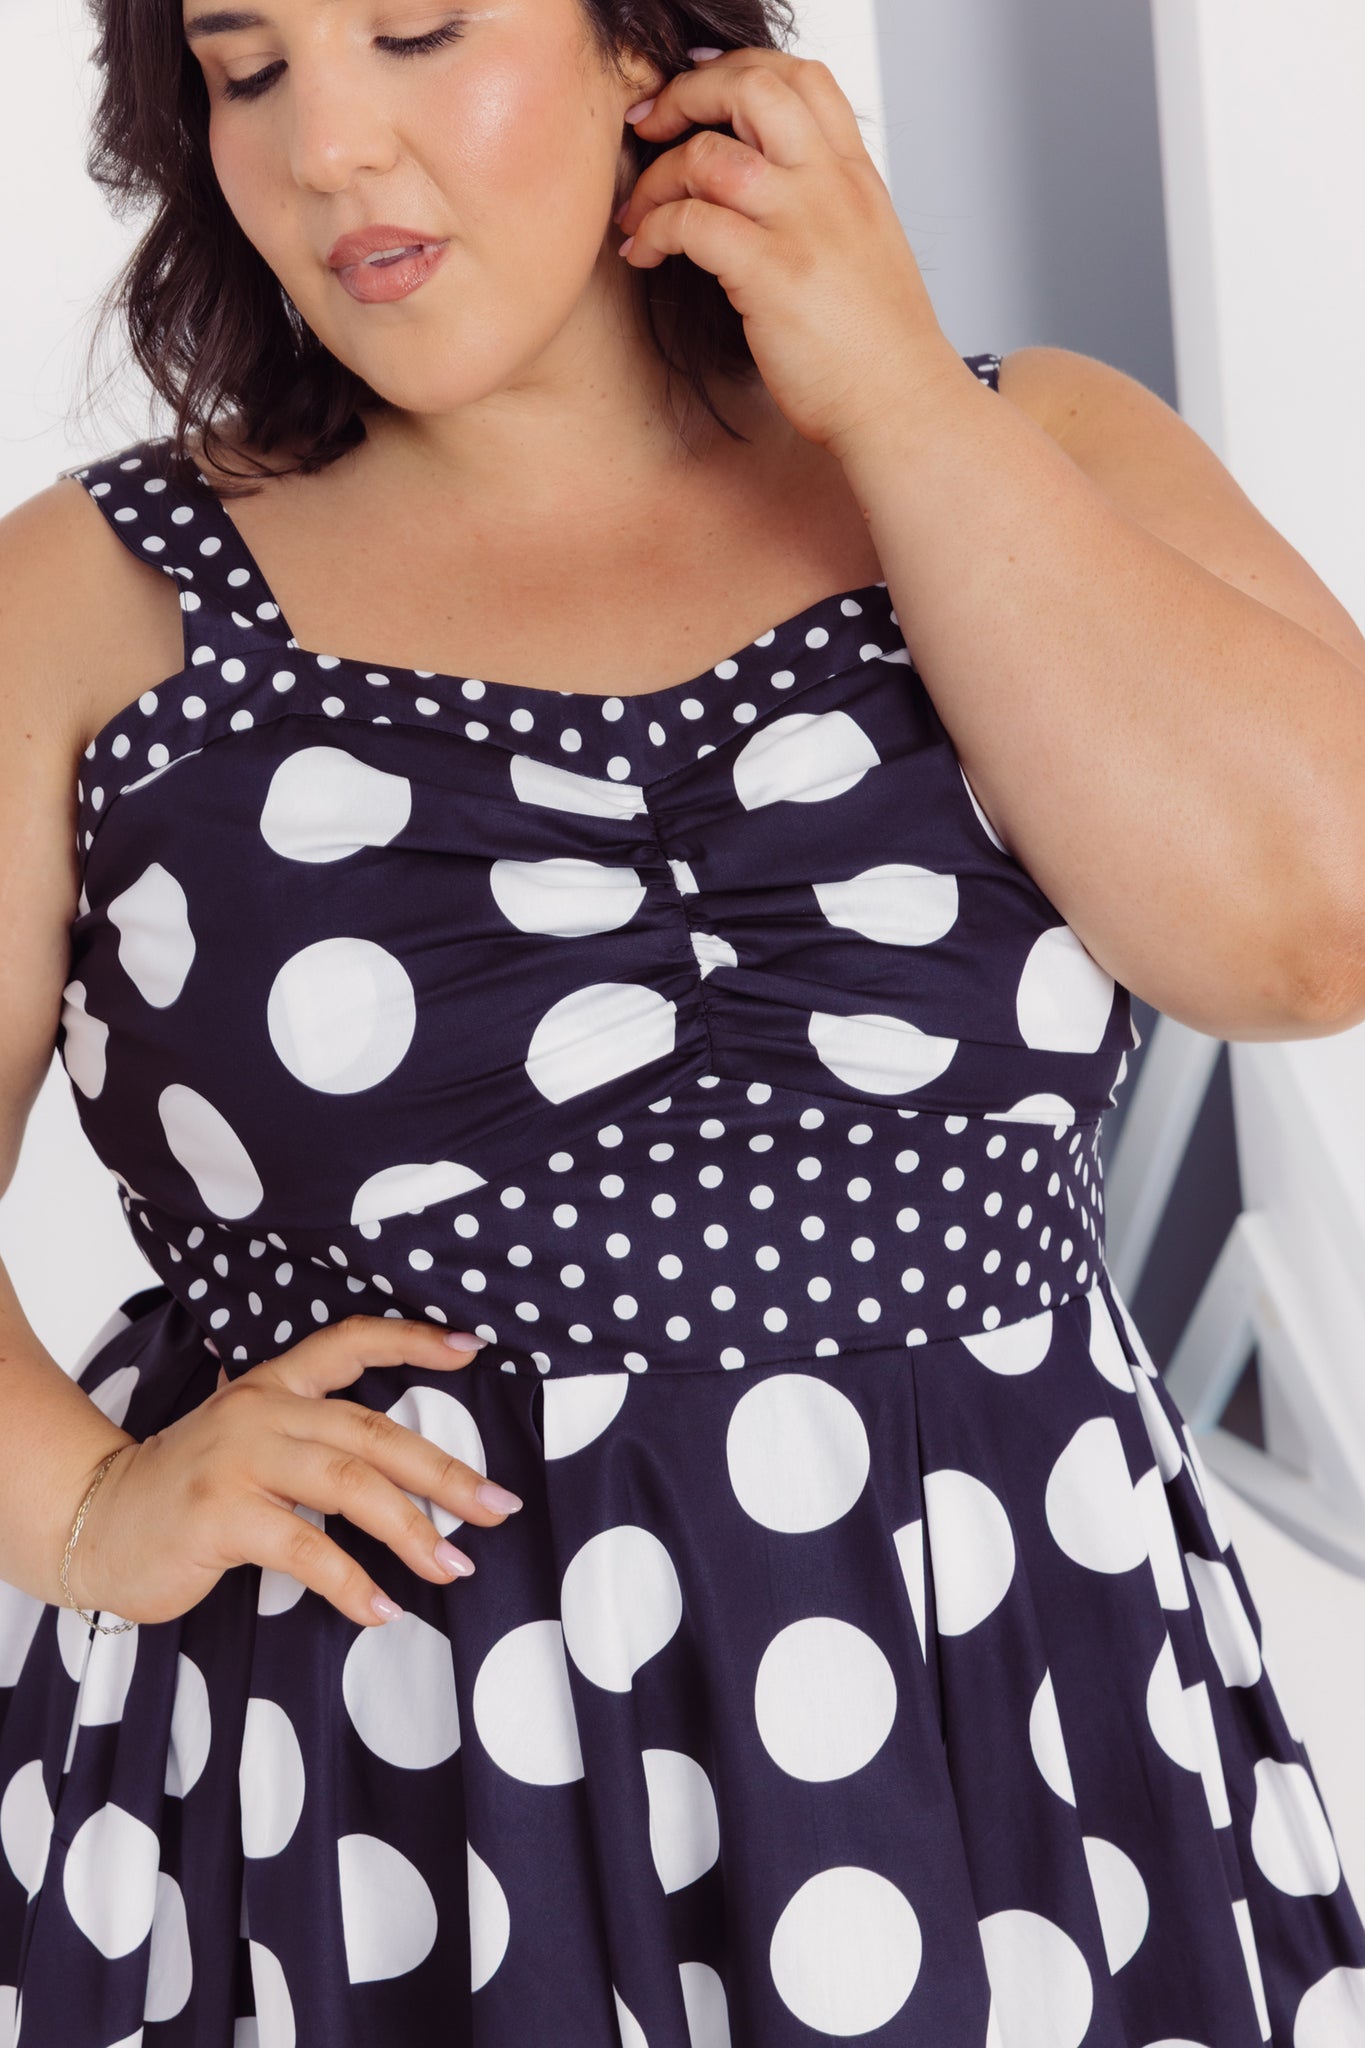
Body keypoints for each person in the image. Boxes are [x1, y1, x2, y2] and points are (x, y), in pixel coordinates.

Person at [3, 0, 1365, 2038]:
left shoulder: (1027, 444)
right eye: (248, 66)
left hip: (1011, 1740)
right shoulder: (95, 599)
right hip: (389, 1797)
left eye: (414, 29)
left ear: (644, 42)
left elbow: (1307, 932)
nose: (325, 146)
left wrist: (886, 391)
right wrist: (83, 1504)